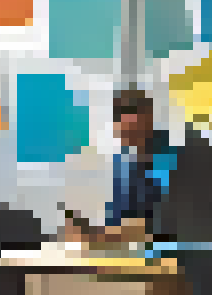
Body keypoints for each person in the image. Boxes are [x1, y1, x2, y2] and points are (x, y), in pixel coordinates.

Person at [64, 90, 173, 247]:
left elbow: (160, 221)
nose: (123, 132)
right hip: (126, 248)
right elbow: (116, 217)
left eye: (131, 129)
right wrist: (89, 232)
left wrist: (102, 236)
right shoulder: (123, 162)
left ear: (147, 120)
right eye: (121, 127)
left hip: (161, 249)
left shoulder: (167, 159)